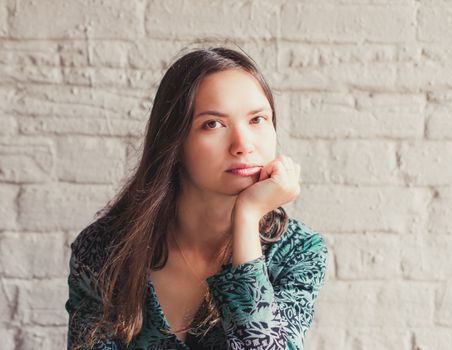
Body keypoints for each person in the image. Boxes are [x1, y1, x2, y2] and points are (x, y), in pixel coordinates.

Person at [65, 46, 328, 350]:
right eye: (212, 124)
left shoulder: (298, 253)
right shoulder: (104, 250)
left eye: (257, 119)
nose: (243, 144)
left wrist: (246, 217)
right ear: (175, 142)